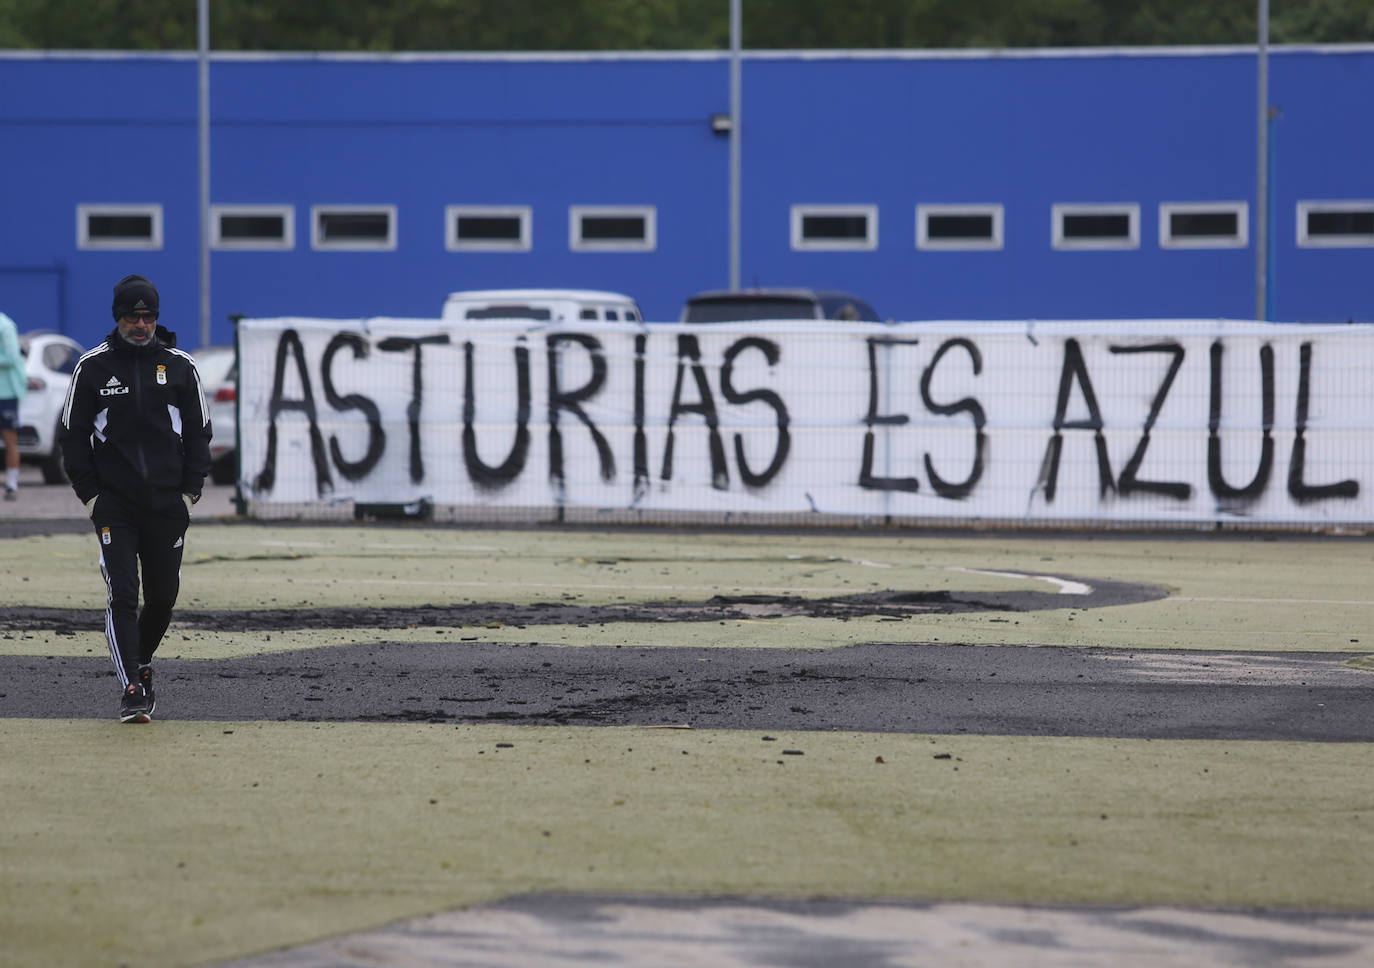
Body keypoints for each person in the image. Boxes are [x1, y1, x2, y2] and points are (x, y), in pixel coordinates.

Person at [59, 275, 213, 723]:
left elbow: (200, 434)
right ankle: (132, 689)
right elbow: (71, 437)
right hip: (115, 507)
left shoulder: (181, 367)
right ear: (117, 317)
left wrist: (189, 494)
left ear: (157, 318)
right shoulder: (92, 367)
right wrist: (91, 499)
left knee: (163, 598)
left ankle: (141, 662)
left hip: (168, 505)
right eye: (132, 315)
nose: (141, 324)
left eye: (148, 316)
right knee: (124, 594)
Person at [0, 310, 26, 500]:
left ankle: (12, 485)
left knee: (10, 439)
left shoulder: (5, 325)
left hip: (6, 393)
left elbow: (11, 357)